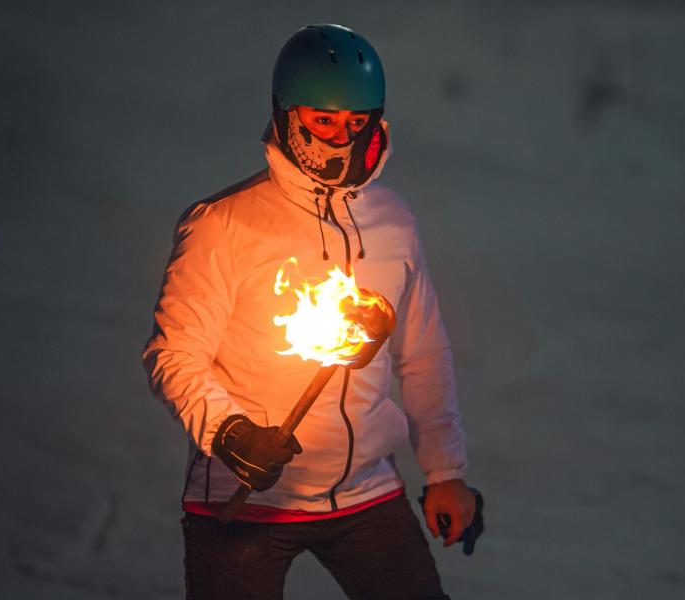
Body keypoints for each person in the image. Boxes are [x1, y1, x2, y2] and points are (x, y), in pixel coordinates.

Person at [143, 24, 474, 599]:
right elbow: (173, 355)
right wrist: (231, 434)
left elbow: (423, 353)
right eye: (323, 120)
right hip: (244, 498)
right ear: (287, 114)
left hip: (366, 491)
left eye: (355, 121)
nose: (341, 137)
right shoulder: (223, 224)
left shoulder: (392, 221)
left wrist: (445, 472)